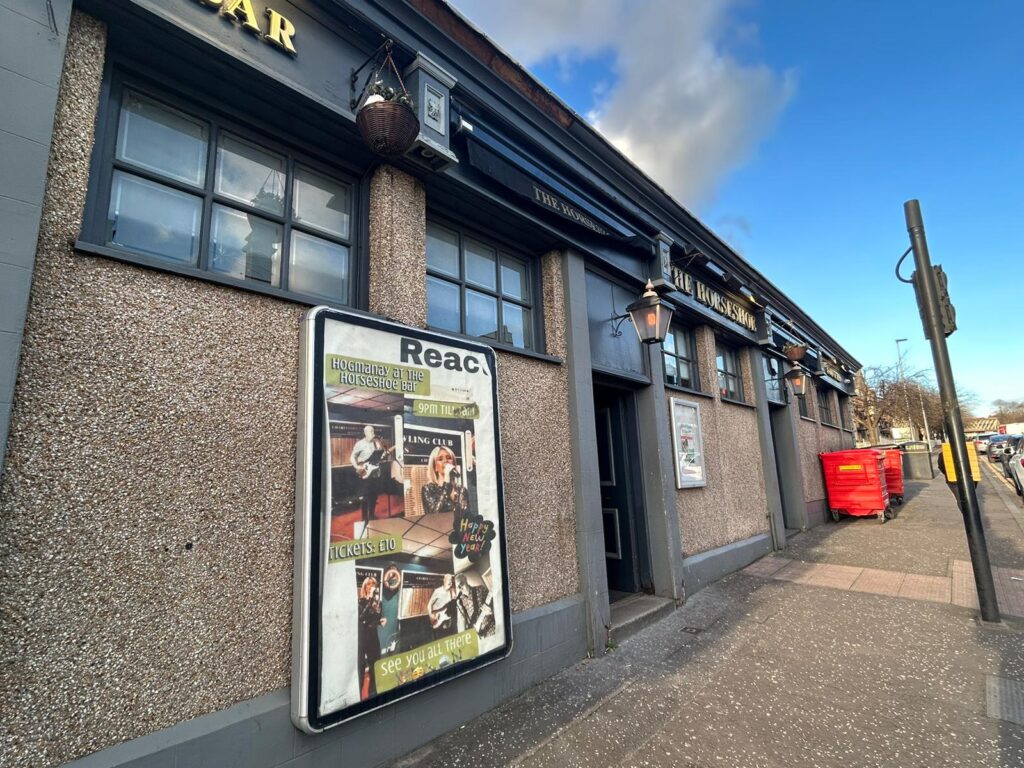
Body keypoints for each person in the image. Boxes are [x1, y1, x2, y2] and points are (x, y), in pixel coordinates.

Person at [351, 426, 390, 524]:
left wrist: (383, 455)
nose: (373, 433)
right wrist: (357, 467)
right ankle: (364, 517)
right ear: (365, 433)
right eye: (370, 431)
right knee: (365, 496)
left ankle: (371, 515)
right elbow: (352, 457)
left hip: (374, 473)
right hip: (364, 471)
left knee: (373, 496)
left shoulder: (376, 443)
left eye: (373, 431)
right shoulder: (359, 444)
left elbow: (378, 457)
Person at [357, 575, 386, 698]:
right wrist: (369, 600)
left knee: (375, 665)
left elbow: (375, 620)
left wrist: (381, 622)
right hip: (362, 638)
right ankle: (358, 694)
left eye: (373, 584)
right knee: (361, 666)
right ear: (365, 587)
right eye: (369, 584)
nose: (372, 587)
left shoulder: (378, 603)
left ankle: (374, 693)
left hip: (373, 637)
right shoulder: (360, 602)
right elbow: (361, 618)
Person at [420, 446, 469, 517]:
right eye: (440, 459)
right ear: (435, 467)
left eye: (448, 458)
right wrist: (446, 481)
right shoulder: (428, 489)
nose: (445, 461)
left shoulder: (461, 489)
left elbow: (466, 516)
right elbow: (433, 514)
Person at [427, 574, 457, 639]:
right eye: (449, 580)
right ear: (444, 580)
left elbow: (453, 605)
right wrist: (431, 616)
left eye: (451, 580)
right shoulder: (438, 591)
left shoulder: (452, 592)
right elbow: (429, 604)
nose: (450, 582)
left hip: (448, 621)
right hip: (438, 620)